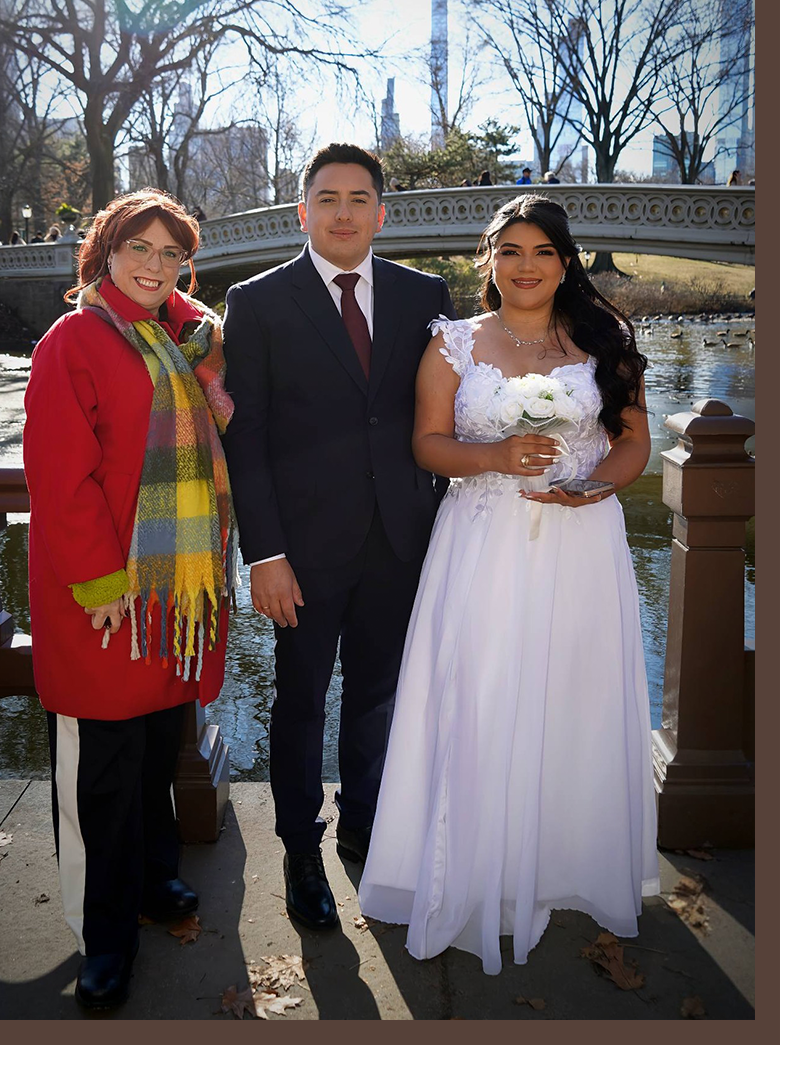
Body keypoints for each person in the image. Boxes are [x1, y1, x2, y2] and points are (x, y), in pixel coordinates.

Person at [358, 193, 660, 974]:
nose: (526, 266)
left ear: (565, 262)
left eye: (543, 252)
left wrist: (594, 485)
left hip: (580, 541)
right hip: (484, 541)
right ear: (488, 260)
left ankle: (565, 863)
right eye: (511, 251)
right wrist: (493, 456)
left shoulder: (603, 339)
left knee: (575, 692)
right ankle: (473, 865)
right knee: (481, 690)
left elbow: (633, 444)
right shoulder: (453, 344)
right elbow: (428, 443)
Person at [222, 143, 455, 931]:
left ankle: (365, 823)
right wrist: (265, 554)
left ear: (381, 212)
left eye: (359, 198)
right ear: (303, 211)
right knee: (299, 703)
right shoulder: (256, 302)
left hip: (400, 539)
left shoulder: (427, 294)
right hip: (302, 552)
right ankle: (299, 849)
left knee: (379, 698)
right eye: (328, 198)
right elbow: (245, 440)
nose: (345, 212)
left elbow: (442, 414)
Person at [23, 188, 236, 1009]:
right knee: (101, 775)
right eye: (136, 249)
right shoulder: (73, 340)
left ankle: (153, 882)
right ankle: (101, 935)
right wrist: (101, 583)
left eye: (168, 252)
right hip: (104, 595)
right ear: (104, 255)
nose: (153, 265)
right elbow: (60, 475)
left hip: (169, 590)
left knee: (151, 750)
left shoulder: (190, 339)